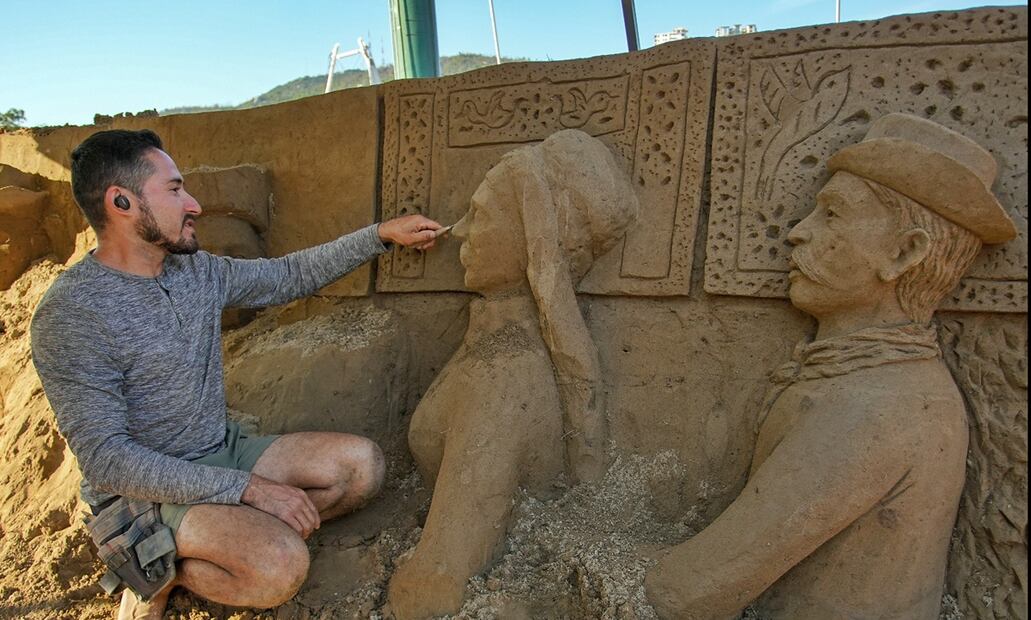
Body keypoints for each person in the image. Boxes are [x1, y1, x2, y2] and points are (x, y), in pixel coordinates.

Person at [29, 129, 442, 619]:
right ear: (121, 202)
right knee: (281, 567)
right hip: (144, 497)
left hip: (221, 450)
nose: (195, 205)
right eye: (175, 190)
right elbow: (108, 461)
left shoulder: (196, 272)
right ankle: (154, 570)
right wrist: (249, 491)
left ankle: (224, 540)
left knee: (361, 467)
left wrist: (380, 235)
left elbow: (288, 276)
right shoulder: (72, 313)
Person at [644, 113, 1017, 618]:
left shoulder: (881, 408)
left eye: (832, 214)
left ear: (905, 253)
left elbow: (687, 593)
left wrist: (570, 554)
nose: (798, 233)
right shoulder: (861, 379)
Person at [387, 129, 639, 619]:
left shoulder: (503, 379)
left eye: (480, 215)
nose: (460, 231)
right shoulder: (490, 354)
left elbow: (438, 581)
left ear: (531, 232)